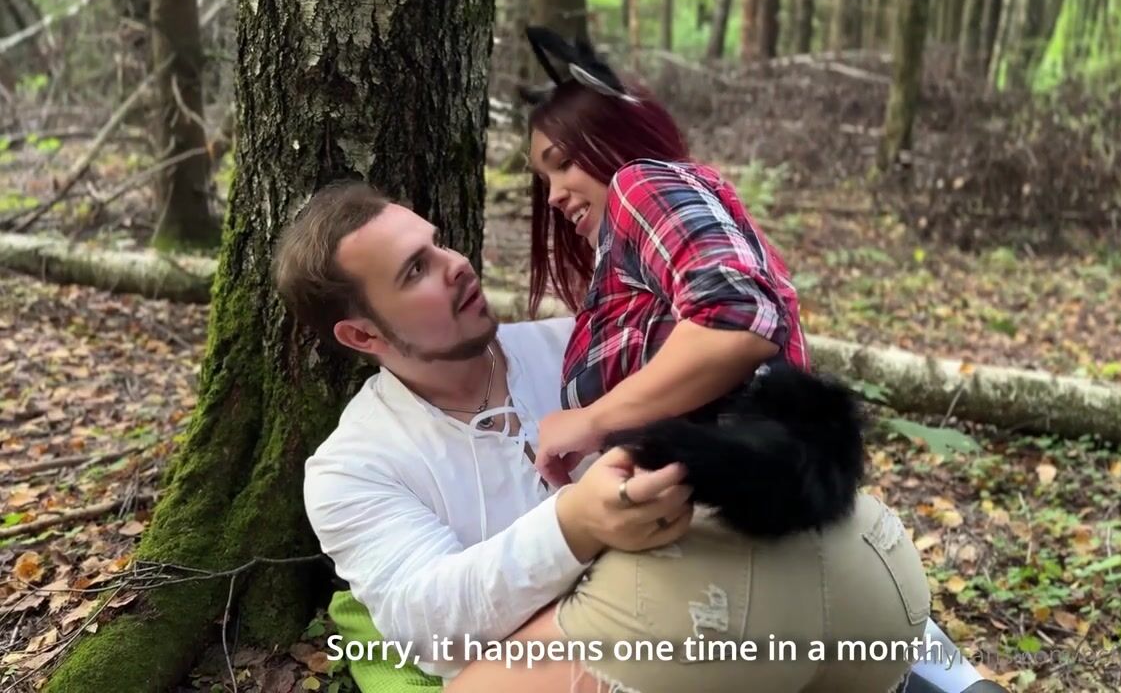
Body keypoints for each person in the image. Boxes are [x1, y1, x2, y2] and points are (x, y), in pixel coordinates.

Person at [275, 182, 991, 693]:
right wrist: (575, 526)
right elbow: (427, 629)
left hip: (803, 604)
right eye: (416, 270)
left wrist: (948, 671)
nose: (456, 262)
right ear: (361, 335)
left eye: (437, 243)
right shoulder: (352, 468)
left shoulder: (580, 348)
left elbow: (771, 452)